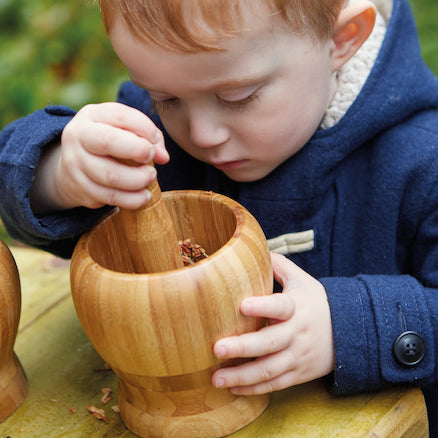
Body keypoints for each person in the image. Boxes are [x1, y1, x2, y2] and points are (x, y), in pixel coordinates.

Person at [1, 0, 438, 434]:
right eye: (166, 97)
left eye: (238, 97)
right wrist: (54, 173)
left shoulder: (422, 163)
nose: (201, 134)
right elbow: (25, 200)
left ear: (342, 40)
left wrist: (347, 327)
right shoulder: (156, 132)